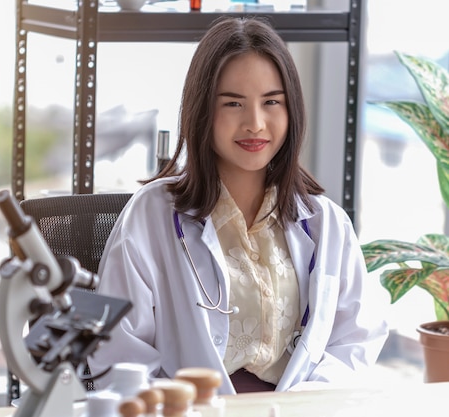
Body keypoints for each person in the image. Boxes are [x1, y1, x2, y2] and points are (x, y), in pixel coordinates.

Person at [87, 17, 389, 394]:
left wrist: (303, 404)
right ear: (201, 110)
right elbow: (120, 356)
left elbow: (354, 342)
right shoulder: (152, 215)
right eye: (233, 103)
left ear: (291, 108)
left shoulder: (327, 224)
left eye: (271, 102)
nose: (255, 123)